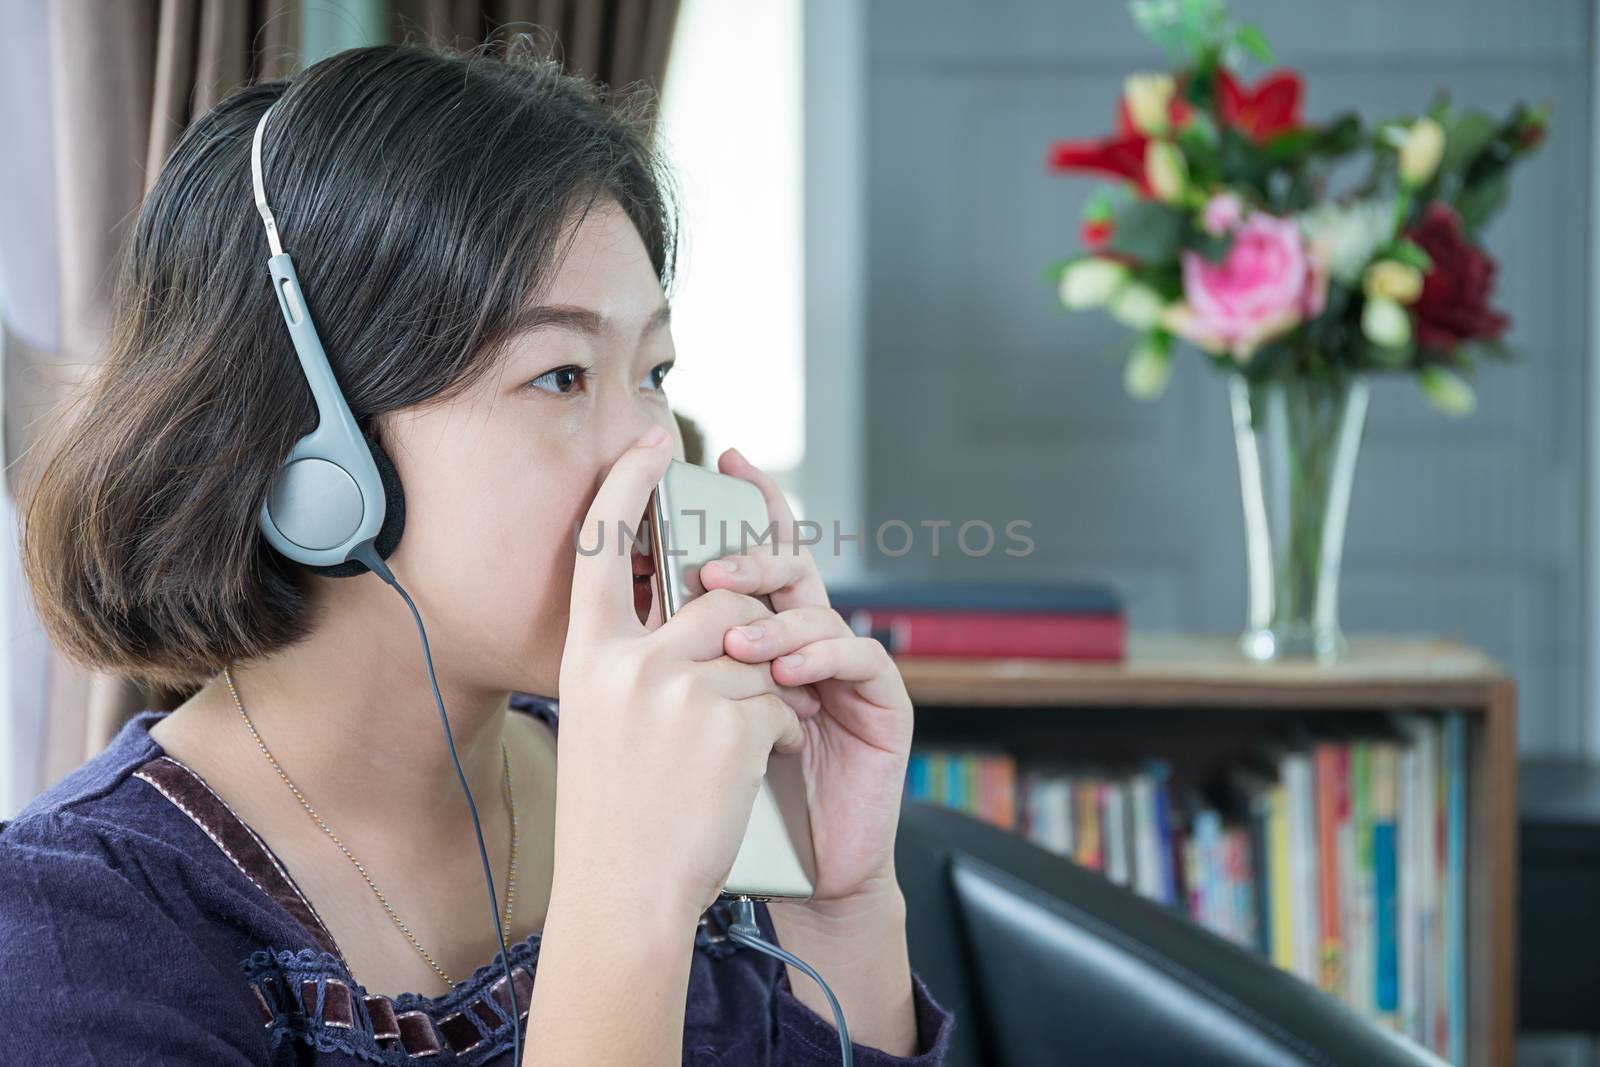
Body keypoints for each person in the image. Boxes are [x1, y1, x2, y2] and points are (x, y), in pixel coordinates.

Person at [0, 40, 954, 1066]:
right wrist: (625, 899)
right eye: (561, 375)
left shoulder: (690, 777)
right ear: (321, 455)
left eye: (654, 369)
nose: (652, 448)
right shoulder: (74, 930)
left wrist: (839, 902)